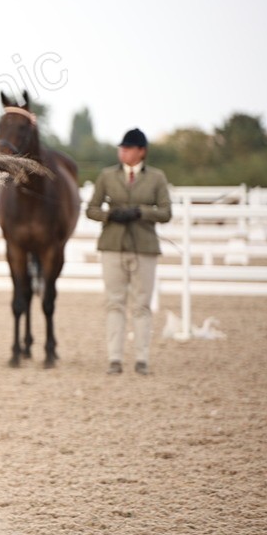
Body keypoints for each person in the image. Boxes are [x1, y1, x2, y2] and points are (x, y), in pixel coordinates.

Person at [85, 128, 172, 375]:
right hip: (113, 245)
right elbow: (91, 209)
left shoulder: (156, 178)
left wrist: (141, 212)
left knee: (142, 304)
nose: (122, 151)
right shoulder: (107, 176)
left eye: (127, 148)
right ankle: (115, 358)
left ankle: (142, 358)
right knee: (114, 303)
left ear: (141, 151)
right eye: (121, 148)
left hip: (144, 247)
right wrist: (110, 214)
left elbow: (166, 212)